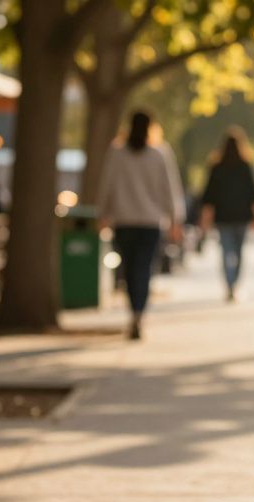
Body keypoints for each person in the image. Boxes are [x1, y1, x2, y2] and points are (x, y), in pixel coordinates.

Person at [98, 110, 185, 340]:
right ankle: (139, 312)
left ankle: (133, 311)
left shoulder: (117, 153)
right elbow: (170, 189)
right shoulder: (159, 154)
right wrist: (175, 218)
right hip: (150, 222)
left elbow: (106, 185)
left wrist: (103, 213)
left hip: (124, 220)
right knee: (143, 269)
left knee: (128, 269)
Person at [200, 129, 254, 301]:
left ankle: (229, 284)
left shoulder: (217, 167)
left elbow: (208, 195)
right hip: (242, 217)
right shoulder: (246, 167)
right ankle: (235, 283)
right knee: (239, 251)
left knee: (226, 251)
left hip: (223, 217)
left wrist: (205, 218)